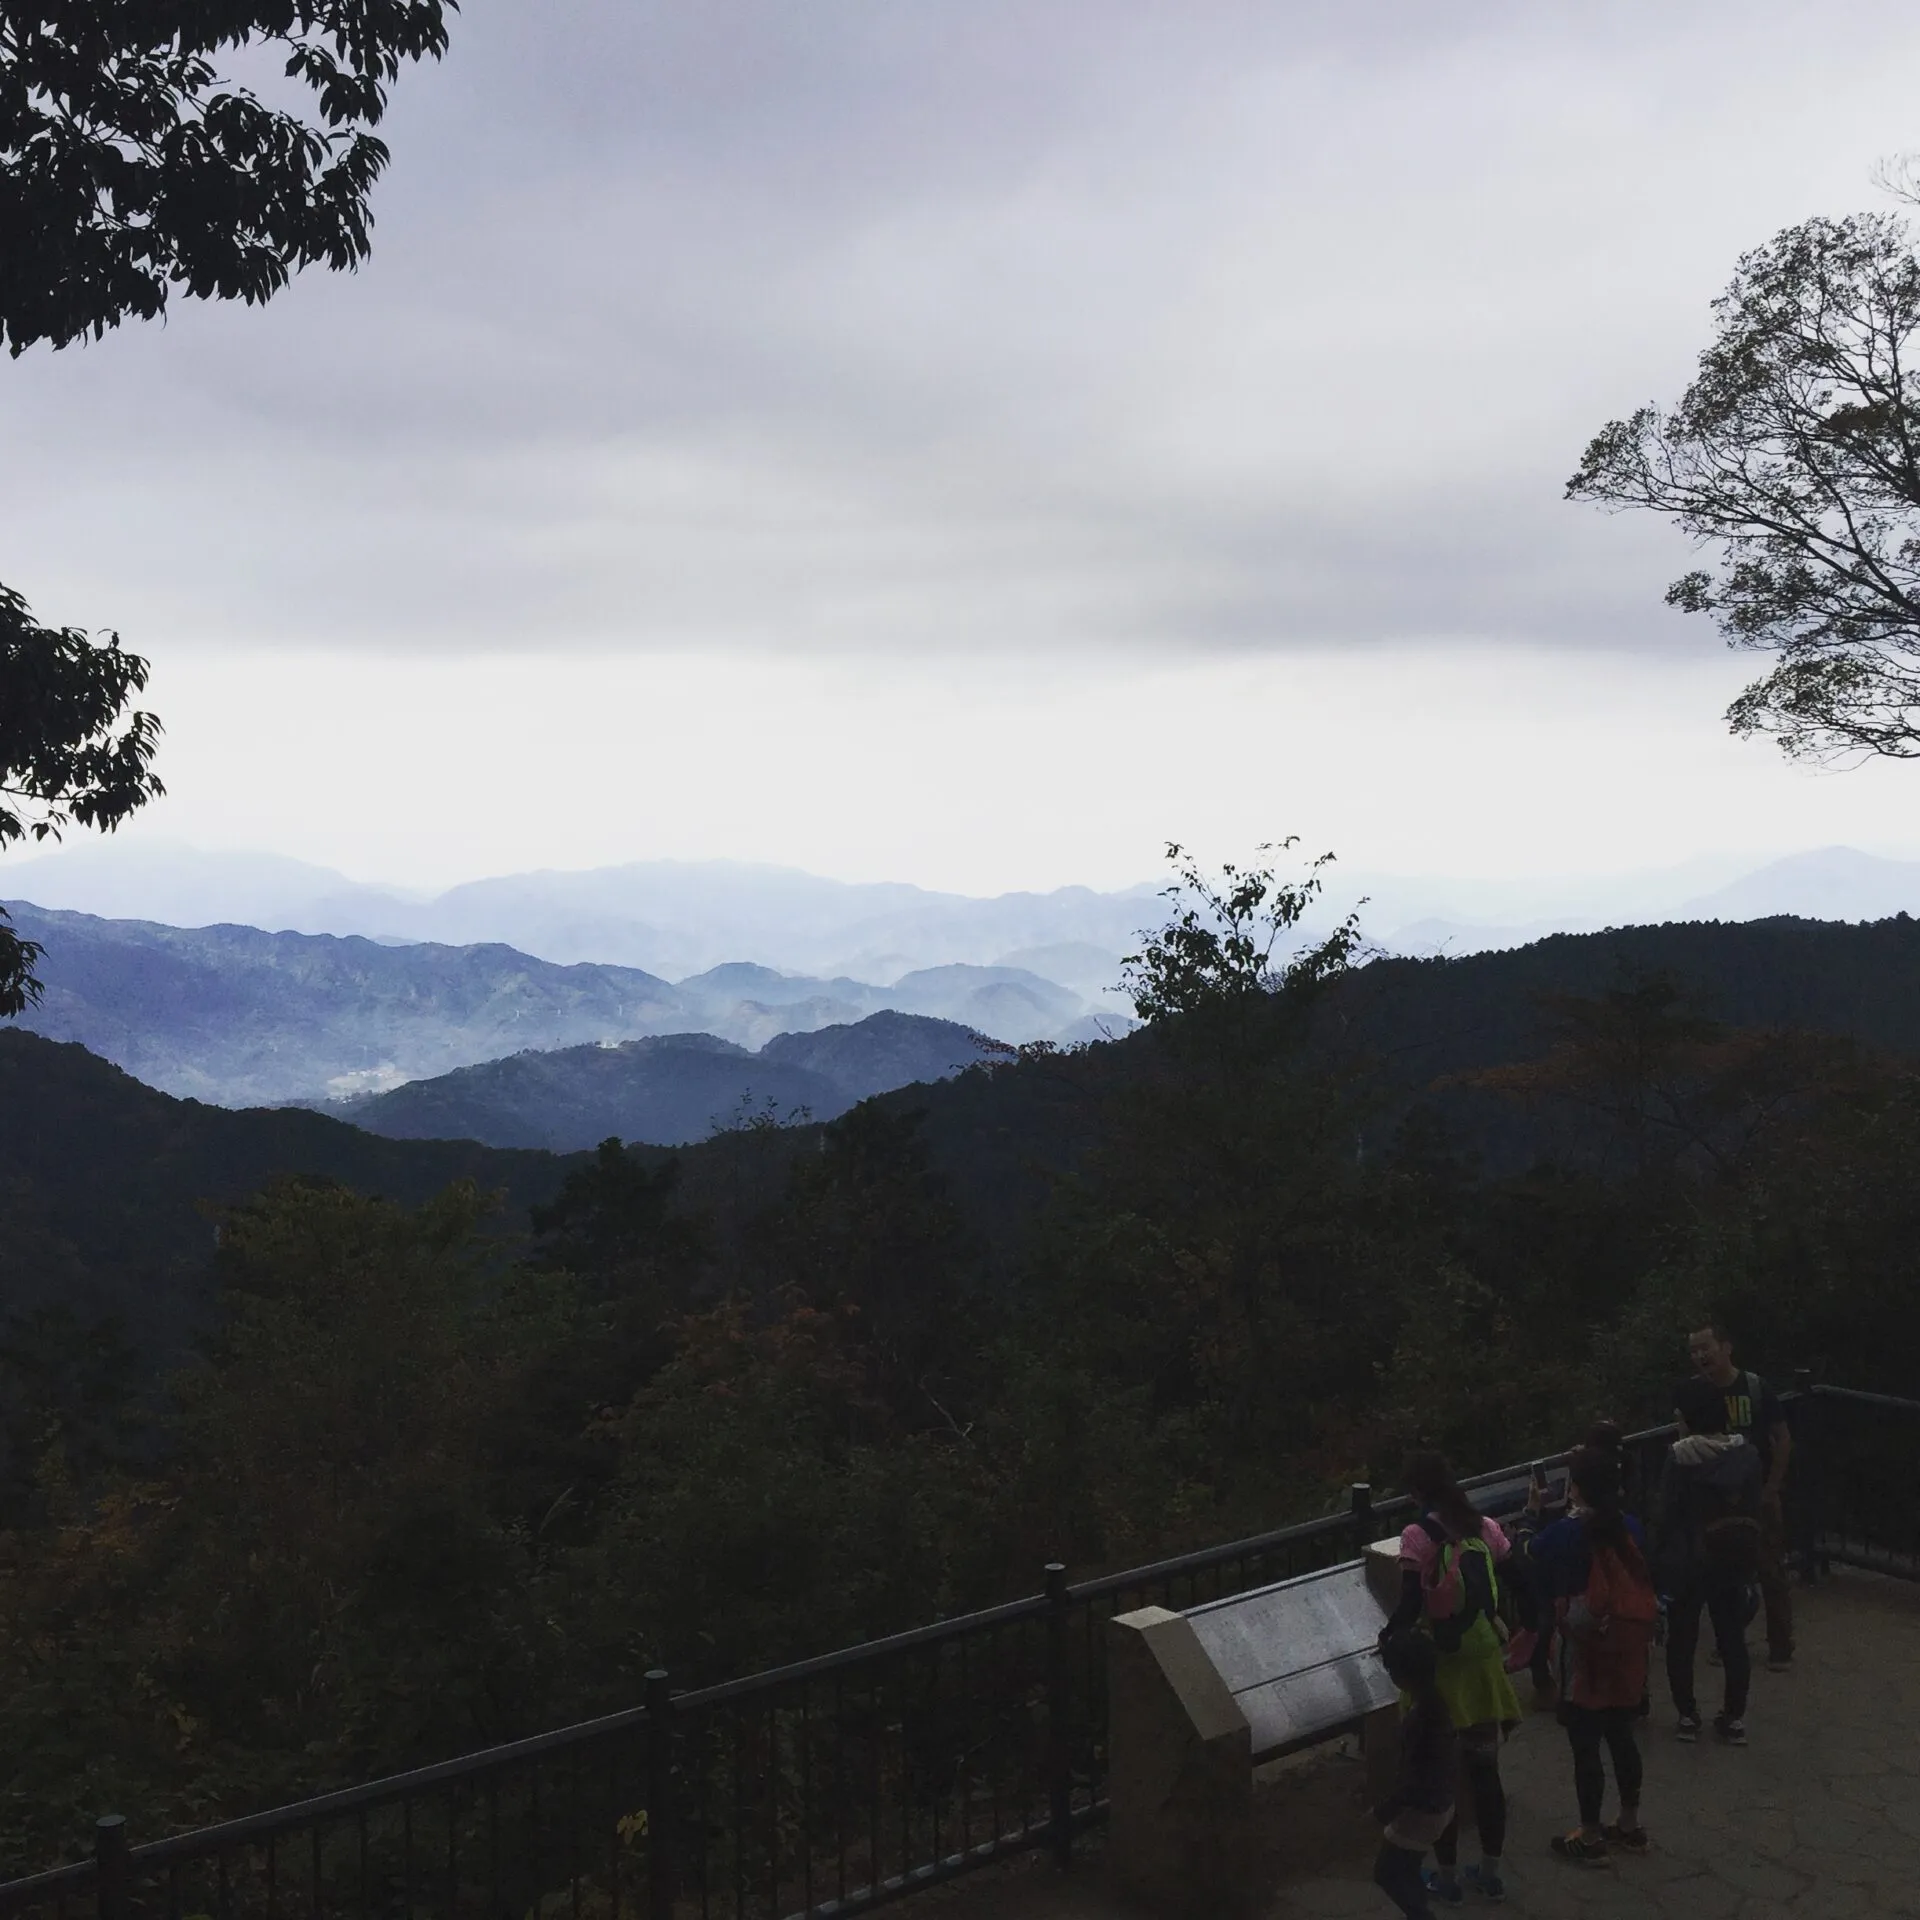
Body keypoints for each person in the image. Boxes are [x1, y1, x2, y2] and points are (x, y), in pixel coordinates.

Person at [1379, 1452, 1522, 1903]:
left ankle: (1445, 1877)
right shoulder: (1485, 1527)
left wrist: (1388, 1639)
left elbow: (1407, 1605)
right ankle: (1492, 1872)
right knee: (1485, 1772)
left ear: (1417, 1494)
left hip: (1438, 1667)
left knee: (1442, 1780)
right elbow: (1514, 1577)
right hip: (1481, 1662)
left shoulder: (1417, 1537)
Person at [1525, 1447, 1658, 1865]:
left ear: (1576, 1488)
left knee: (1586, 1744)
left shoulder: (1566, 1533)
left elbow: (1531, 1558)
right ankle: (1630, 1824)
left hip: (1585, 1652)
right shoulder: (1631, 1526)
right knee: (1622, 1734)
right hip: (1631, 1647)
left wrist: (1534, 1515)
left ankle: (1590, 1833)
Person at [1657, 1374, 1763, 1745]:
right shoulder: (1746, 1454)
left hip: (1690, 1559)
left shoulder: (1680, 1458)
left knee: (1682, 1640)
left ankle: (1688, 1716)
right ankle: (1733, 1718)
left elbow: (1667, 1513)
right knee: (1732, 1637)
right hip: (1735, 1556)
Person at [1687, 1321, 1793, 1670]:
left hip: (1757, 1493)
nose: (1700, 1356)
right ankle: (1728, 1640)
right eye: (1694, 1350)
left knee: (1770, 1570)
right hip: (1717, 1497)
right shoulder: (1695, 1394)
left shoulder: (1754, 1387)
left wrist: (1771, 1487)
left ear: (1726, 1347)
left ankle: (1780, 1645)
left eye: (1706, 1347)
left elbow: (1782, 1438)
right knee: (1723, 1575)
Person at [1374, 1631, 1459, 1920]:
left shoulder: (1419, 1717)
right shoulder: (1436, 1704)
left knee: (1387, 1873)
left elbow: (1413, 1778)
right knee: (1407, 1870)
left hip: (1422, 1810)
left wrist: (1382, 1811)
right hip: (1441, 1802)